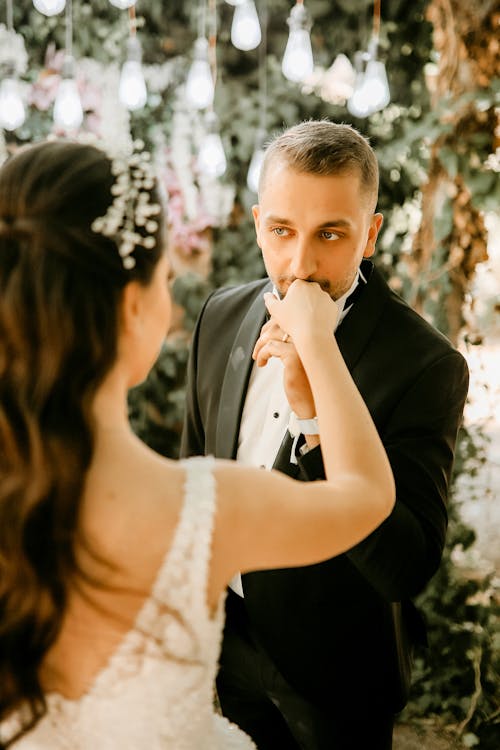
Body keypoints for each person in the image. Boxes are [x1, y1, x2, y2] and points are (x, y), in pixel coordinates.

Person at [0, 139, 395, 750]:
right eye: (164, 277)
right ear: (133, 309)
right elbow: (367, 494)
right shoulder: (203, 510)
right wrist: (318, 348)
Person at [180, 120, 470, 750]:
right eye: (281, 231)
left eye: (330, 234)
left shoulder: (425, 365)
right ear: (258, 223)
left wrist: (314, 419)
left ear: (369, 235)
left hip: (337, 672)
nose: (300, 263)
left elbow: (403, 567)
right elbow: (196, 473)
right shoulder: (221, 315)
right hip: (227, 648)